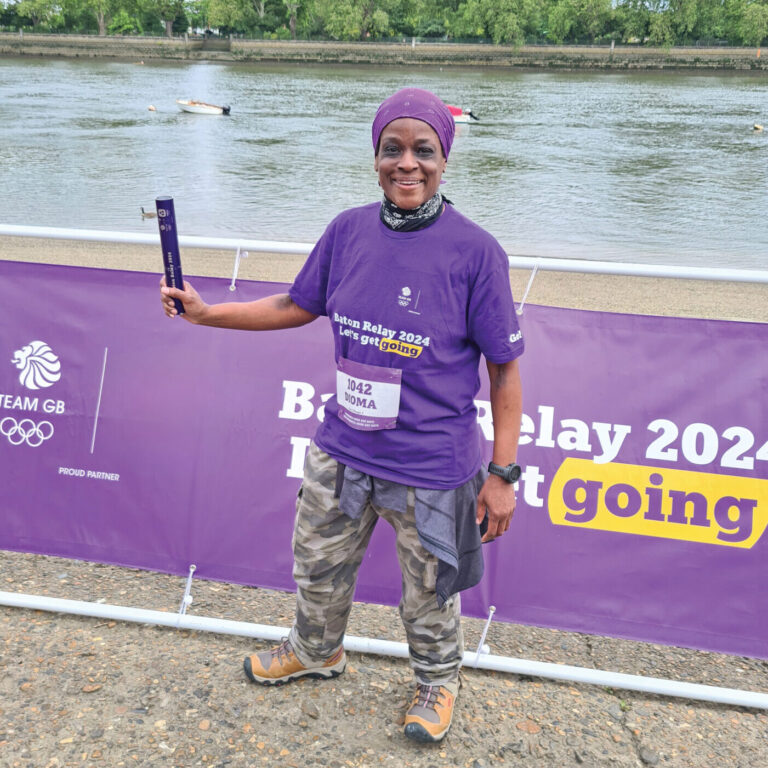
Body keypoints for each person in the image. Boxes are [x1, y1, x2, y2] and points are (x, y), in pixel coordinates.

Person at [160, 87, 524, 744]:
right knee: (316, 563)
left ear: (445, 157)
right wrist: (208, 311)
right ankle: (316, 649)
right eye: (392, 149)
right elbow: (297, 304)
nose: (405, 164)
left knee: (431, 592)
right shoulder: (348, 230)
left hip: (432, 468)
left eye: (423, 150)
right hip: (341, 450)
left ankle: (438, 681)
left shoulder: (476, 254)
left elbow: (505, 371)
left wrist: (503, 474)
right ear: (376, 155)